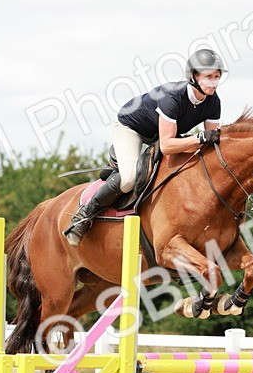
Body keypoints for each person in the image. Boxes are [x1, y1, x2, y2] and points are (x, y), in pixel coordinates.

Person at [62, 47, 226, 245]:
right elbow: (166, 145)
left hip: (162, 133)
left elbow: (210, 143)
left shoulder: (213, 102)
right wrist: (199, 138)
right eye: (208, 76)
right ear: (193, 76)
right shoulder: (172, 97)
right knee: (129, 178)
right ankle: (83, 216)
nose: (214, 81)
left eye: (217, 76)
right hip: (132, 128)